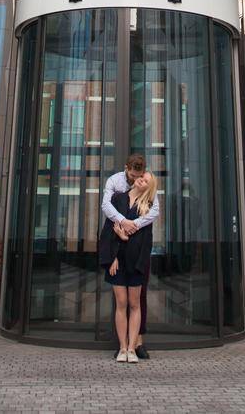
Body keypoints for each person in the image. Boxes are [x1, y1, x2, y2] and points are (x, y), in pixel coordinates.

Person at [100, 153, 160, 362]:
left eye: (142, 177)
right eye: (136, 176)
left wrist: (132, 226)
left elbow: (153, 215)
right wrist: (123, 224)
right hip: (119, 256)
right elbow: (108, 214)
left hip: (137, 256)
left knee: (137, 300)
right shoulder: (115, 187)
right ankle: (124, 347)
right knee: (122, 302)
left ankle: (135, 345)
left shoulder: (148, 200)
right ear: (127, 169)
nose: (138, 179)